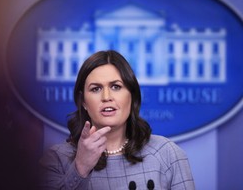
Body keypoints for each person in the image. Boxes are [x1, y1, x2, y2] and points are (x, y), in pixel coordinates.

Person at [39, 50, 195, 189]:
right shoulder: (57, 158)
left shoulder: (166, 153)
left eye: (116, 87)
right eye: (96, 89)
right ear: (84, 102)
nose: (107, 97)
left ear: (132, 96)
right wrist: (80, 168)